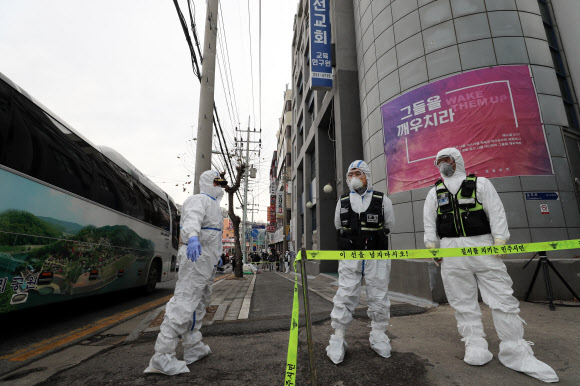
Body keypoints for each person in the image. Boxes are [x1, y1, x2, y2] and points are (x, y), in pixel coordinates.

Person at [423, 148, 558, 383]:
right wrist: (432, 246)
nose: (442, 165)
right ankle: (475, 345)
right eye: (439, 162)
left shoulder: (481, 184)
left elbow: (496, 212)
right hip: (450, 252)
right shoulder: (434, 192)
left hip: (484, 248)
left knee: (502, 297)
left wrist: (500, 239)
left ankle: (515, 350)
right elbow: (429, 222)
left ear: (457, 161)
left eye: (446, 160)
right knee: (462, 302)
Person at [145, 170, 227, 375]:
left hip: (206, 260)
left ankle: (192, 345)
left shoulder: (214, 206)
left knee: (200, 302)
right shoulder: (198, 200)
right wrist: (192, 237)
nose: (221, 186)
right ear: (209, 183)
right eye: (218, 182)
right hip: (195, 257)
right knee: (185, 301)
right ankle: (162, 356)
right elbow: (192, 220)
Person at [326, 160, 395, 364]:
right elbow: (338, 224)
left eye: (358, 173)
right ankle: (338, 337)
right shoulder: (343, 200)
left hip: (377, 256)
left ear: (367, 175)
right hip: (350, 256)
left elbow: (389, 224)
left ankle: (379, 334)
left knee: (379, 294)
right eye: (351, 174)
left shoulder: (383, 200)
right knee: (345, 293)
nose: (354, 177)